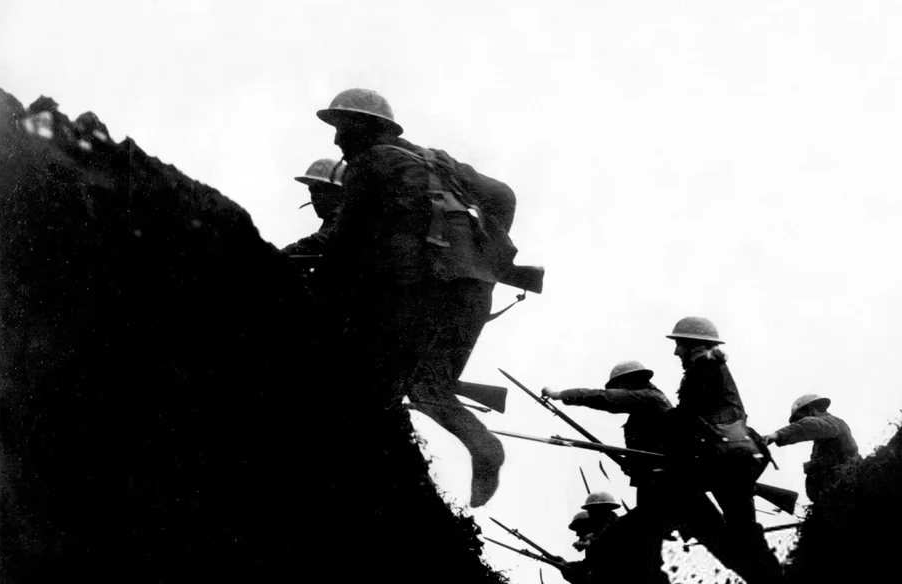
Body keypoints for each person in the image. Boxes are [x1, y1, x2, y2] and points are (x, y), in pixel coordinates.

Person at [317, 88, 514, 507]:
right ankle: (472, 449)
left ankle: (473, 448)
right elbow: (503, 195)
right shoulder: (438, 160)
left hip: (428, 288)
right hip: (474, 286)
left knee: (386, 381)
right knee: (430, 385)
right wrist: (487, 255)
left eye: (343, 130)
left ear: (366, 129)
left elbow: (343, 244)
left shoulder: (369, 163)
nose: (336, 141)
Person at [650, 316, 784, 584]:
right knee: (743, 531)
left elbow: (688, 418)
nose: (676, 352)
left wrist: (670, 452)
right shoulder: (713, 368)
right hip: (733, 459)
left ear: (693, 345)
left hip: (724, 462)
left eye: (679, 345)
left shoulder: (704, 368)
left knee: (739, 531)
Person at [542, 361, 672, 505]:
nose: (620, 390)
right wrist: (632, 463)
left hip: (662, 477)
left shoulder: (649, 397)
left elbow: (604, 397)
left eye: (620, 386)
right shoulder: (647, 404)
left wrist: (559, 395)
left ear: (632, 381)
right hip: (654, 475)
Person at [762, 394, 860, 502]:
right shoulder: (828, 433)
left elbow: (809, 424)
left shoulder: (832, 422)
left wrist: (777, 435)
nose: (799, 422)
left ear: (811, 410)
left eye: (801, 418)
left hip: (841, 490)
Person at [281, 158, 347, 257]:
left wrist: (277, 256)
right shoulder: (333, 220)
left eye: (319, 190)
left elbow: (318, 242)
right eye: (311, 190)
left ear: (338, 193)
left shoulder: (346, 219)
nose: (313, 197)